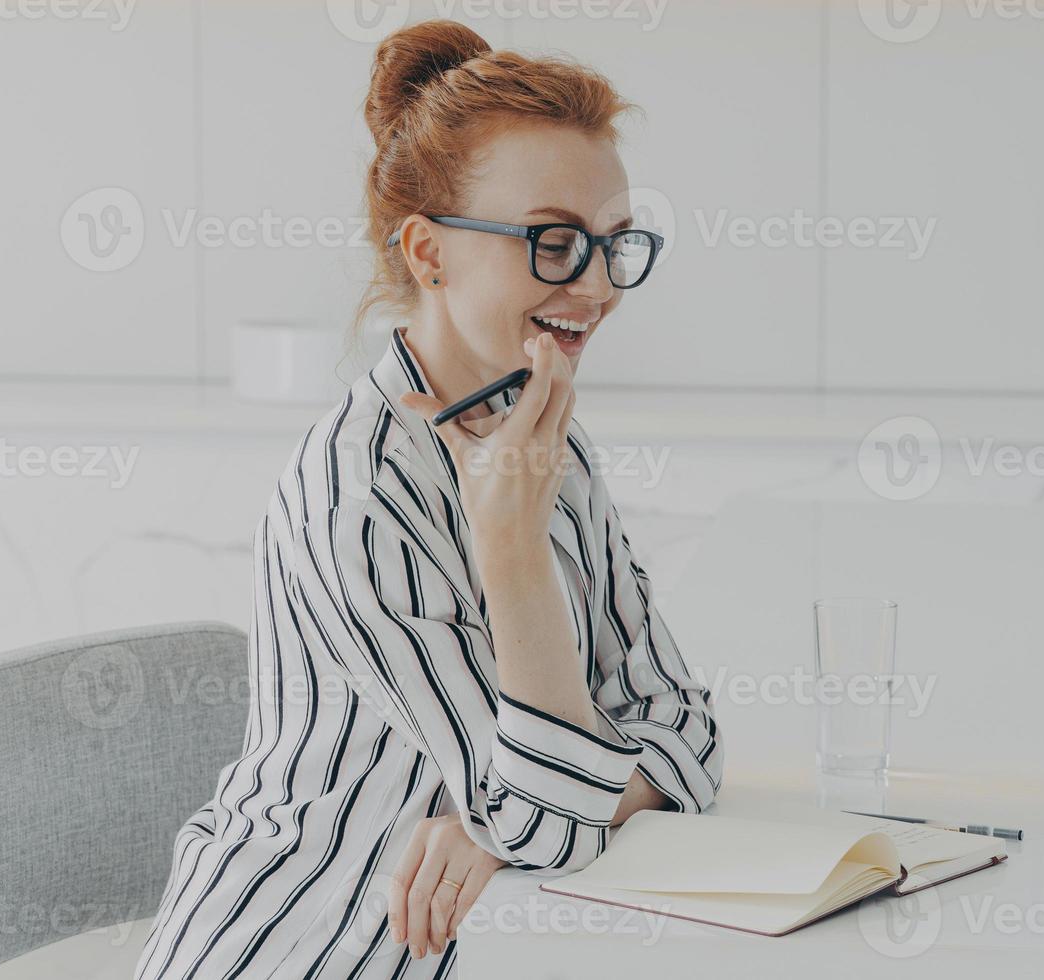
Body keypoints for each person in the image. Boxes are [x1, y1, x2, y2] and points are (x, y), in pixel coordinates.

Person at [134, 19, 721, 978]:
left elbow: (685, 729)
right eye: (553, 242)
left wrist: (505, 820)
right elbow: (554, 817)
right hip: (296, 952)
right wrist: (509, 545)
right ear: (428, 253)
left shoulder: (548, 437)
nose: (598, 286)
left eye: (616, 246)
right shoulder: (356, 495)